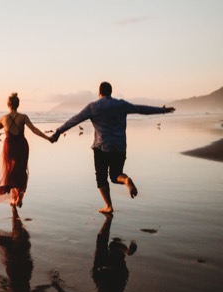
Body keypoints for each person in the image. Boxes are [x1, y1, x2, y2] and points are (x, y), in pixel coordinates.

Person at [50, 82, 174, 213]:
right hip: (119, 147)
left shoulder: (93, 107)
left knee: (101, 178)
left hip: (101, 147)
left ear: (99, 93)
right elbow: (141, 109)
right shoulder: (121, 104)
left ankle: (108, 206)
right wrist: (162, 110)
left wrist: (58, 132)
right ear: (110, 92)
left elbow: (74, 120)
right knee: (116, 175)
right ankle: (126, 180)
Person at [0, 93, 52, 208]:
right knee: (21, 170)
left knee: (10, 170)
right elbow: (33, 129)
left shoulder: (4, 118)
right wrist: (47, 138)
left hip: (10, 146)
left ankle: (14, 197)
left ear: (8, 104)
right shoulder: (23, 117)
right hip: (22, 145)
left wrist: (5, 128)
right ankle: (19, 197)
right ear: (18, 104)